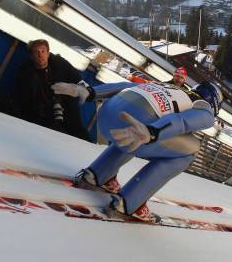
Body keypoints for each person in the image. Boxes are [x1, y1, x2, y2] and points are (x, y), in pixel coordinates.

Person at [52, 79, 222, 220]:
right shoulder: (203, 109)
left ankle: (96, 175)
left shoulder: (169, 86)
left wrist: (91, 92)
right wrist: (152, 132)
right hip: (137, 128)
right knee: (191, 149)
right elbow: (181, 121)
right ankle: (129, 202)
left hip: (106, 116)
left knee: (136, 131)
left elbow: (125, 86)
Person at [16, 39, 87, 140]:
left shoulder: (59, 64)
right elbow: (24, 100)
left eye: (43, 51)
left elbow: (77, 78)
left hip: (67, 108)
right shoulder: (26, 73)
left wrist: (86, 90)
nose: (40, 55)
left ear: (48, 53)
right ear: (31, 56)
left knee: (79, 133)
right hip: (44, 116)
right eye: (36, 52)